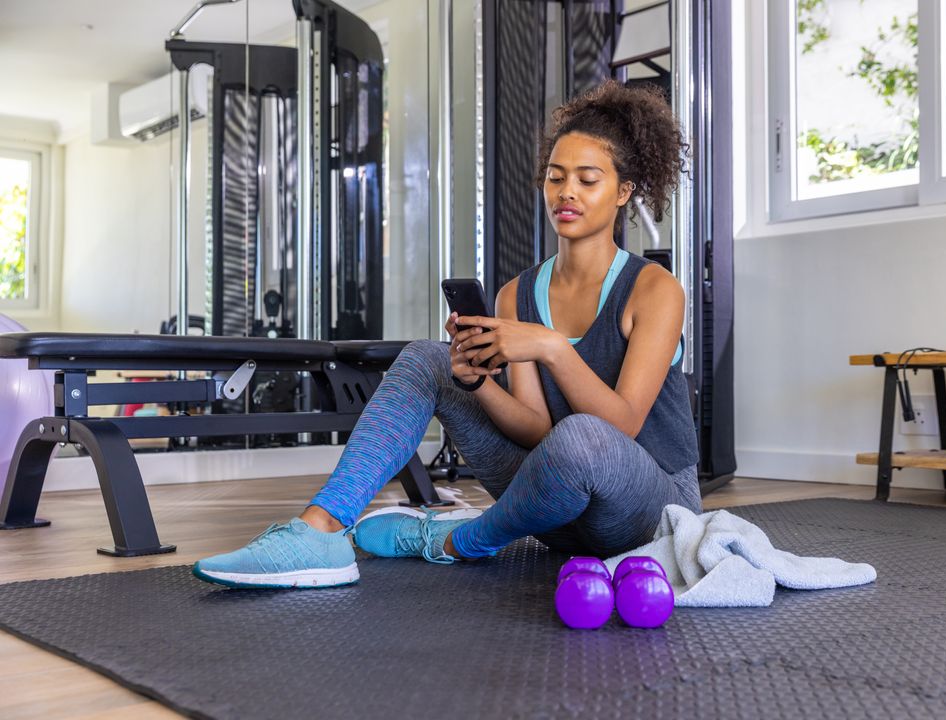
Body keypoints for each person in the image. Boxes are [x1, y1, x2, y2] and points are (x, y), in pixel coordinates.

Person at [193, 80, 702, 588]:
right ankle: (319, 531)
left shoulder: (654, 290)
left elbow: (622, 426)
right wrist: (477, 383)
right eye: (555, 177)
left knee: (583, 437)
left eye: (587, 179)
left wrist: (547, 346)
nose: (566, 192)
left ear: (624, 191)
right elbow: (537, 432)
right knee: (426, 359)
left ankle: (457, 540)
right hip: (556, 511)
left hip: (647, 513)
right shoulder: (517, 295)